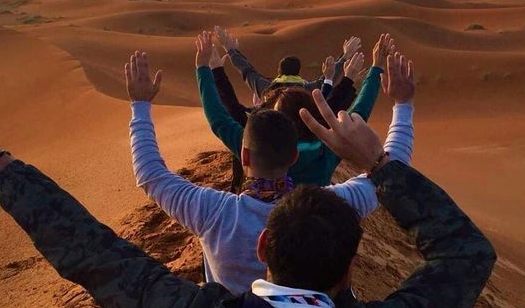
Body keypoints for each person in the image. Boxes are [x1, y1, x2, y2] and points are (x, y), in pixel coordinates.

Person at [0, 55, 495, 308]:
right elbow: (465, 254)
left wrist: (1, 168)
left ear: (264, 246)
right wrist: (382, 152)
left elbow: (95, 246)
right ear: (349, 266)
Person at [127, 48, 413, 295]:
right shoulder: (335, 208)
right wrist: (402, 103)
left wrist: (141, 105)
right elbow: (392, 167)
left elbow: (151, 174)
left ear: (244, 156)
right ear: (293, 156)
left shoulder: (213, 212)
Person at [197, 30, 397, 186]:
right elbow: (355, 111)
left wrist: (215, 64)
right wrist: (362, 68)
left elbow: (222, 114)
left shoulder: (255, 133)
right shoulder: (326, 151)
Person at [210, 47, 369, 192]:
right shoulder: (325, 151)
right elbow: (330, 105)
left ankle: (237, 185)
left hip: (256, 169)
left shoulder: (264, 88)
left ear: (279, 71)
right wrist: (343, 73)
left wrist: (223, 60)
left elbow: (245, 76)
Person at [215, 25, 361, 99]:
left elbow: (246, 70)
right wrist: (345, 56)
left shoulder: (266, 89)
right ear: (298, 72)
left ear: (279, 71)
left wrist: (230, 50)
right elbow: (330, 77)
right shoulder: (309, 89)